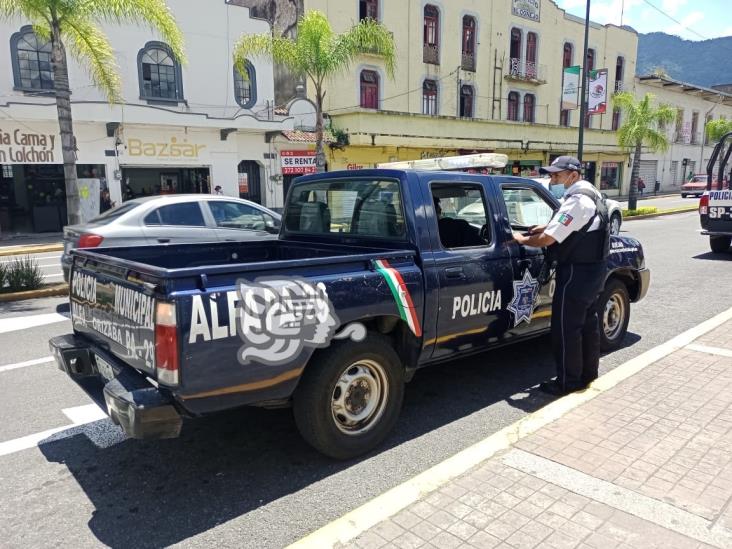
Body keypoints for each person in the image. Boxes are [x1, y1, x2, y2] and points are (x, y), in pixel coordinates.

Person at [512, 156, 610, 396]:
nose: (553, 179)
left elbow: (548, 241)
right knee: (587, 325)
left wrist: (522, 239)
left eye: (557, 175)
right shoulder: (593, 196)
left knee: (566, 329)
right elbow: (576, 226)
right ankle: (588, 373)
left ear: (573, 175)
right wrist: (546, 227)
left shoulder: (577, 201)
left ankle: (567, 381)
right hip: (593, 270)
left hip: (576, 273)